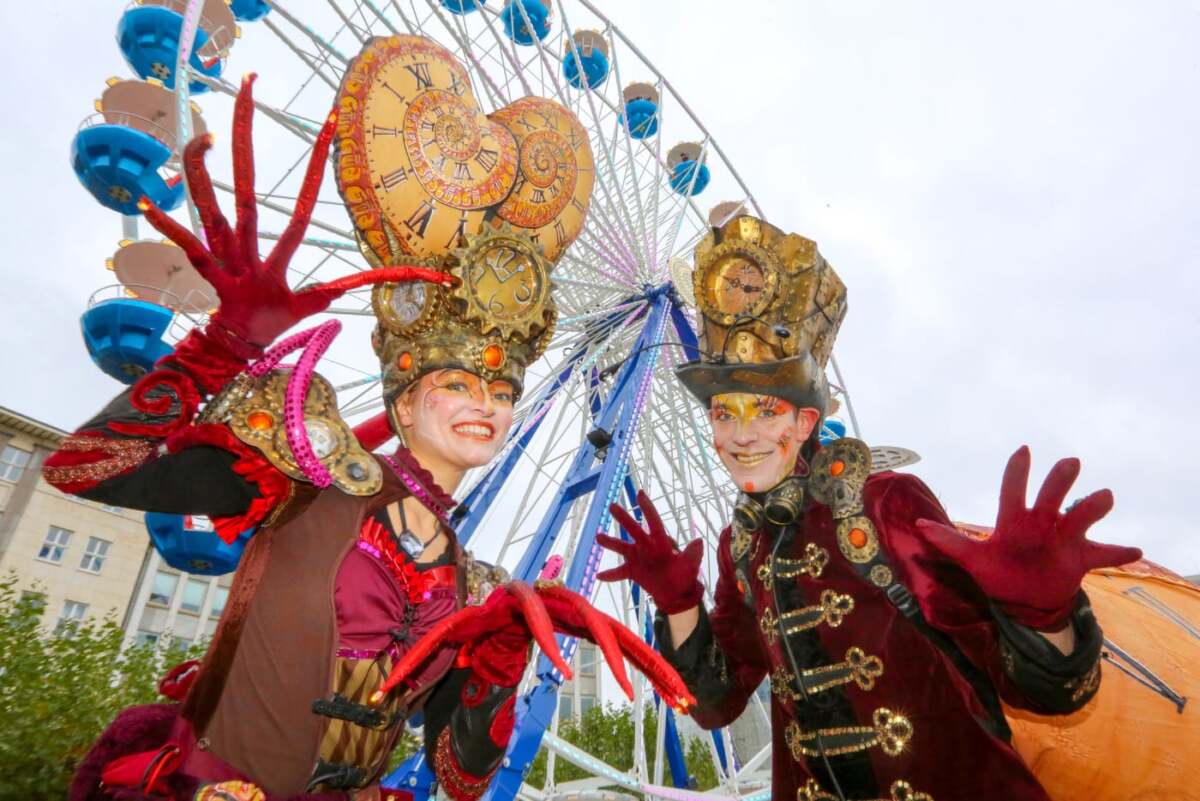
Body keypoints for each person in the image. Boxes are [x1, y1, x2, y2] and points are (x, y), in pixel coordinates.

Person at [47, 74, 690, 801]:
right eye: (461, 386)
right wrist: (222, 342)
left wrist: (500, 664)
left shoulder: (473, 586)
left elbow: (460, 773)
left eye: (504, 393)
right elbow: (85, 468)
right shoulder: (305, 471)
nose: (488, 406)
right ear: (406, 402)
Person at [600, 215, 1141, 800]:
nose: (743, 435)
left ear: (805, 421)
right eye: (724, 413)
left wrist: (1043, 618)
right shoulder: (744, 544)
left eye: (764, 411)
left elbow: (1044, 692)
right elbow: (714, 703)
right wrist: (681, 605)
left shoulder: (879, 503)